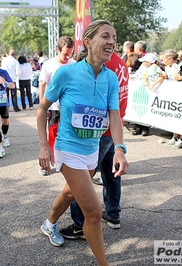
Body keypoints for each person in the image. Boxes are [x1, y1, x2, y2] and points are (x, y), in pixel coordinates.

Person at [37, 20, 129, 265]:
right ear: (88, 42)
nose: (111, 42)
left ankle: (48, 224)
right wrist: (44, 145)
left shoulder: (110, 77)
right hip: (68, 148)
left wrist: (120, 149)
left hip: (92, 149)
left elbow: (114, 116)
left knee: (69, 193)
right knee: (94, 213)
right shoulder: (66, 73)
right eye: (105, 36)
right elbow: (42, 108)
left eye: (114, 37)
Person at [58, 51, 129, 242]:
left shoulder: (104, 67)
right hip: (111, 129)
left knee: (82, 180)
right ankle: (113, 214)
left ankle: (81, 224)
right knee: (110, 173)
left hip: (97, 131)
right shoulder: (120, 62)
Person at [38, 35, 75, 176]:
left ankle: (66, 163)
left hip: (69, 109)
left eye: (70, 54)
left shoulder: (73, 64)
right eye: (65, 54)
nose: (67, 57)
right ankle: (45, 164)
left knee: (69, 136)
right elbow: (42, 85)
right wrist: (43, 106)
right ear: (58, 50)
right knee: (51, 137)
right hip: (53, 108)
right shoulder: (48, 65)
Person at [132, 40, 151, 136]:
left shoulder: (147, 58)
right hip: (138, 85)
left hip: (145, 86)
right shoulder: (139, 57)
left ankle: (145, 128)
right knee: (137, 105)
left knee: (143, 106)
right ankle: (138, 126)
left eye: (135, 48)